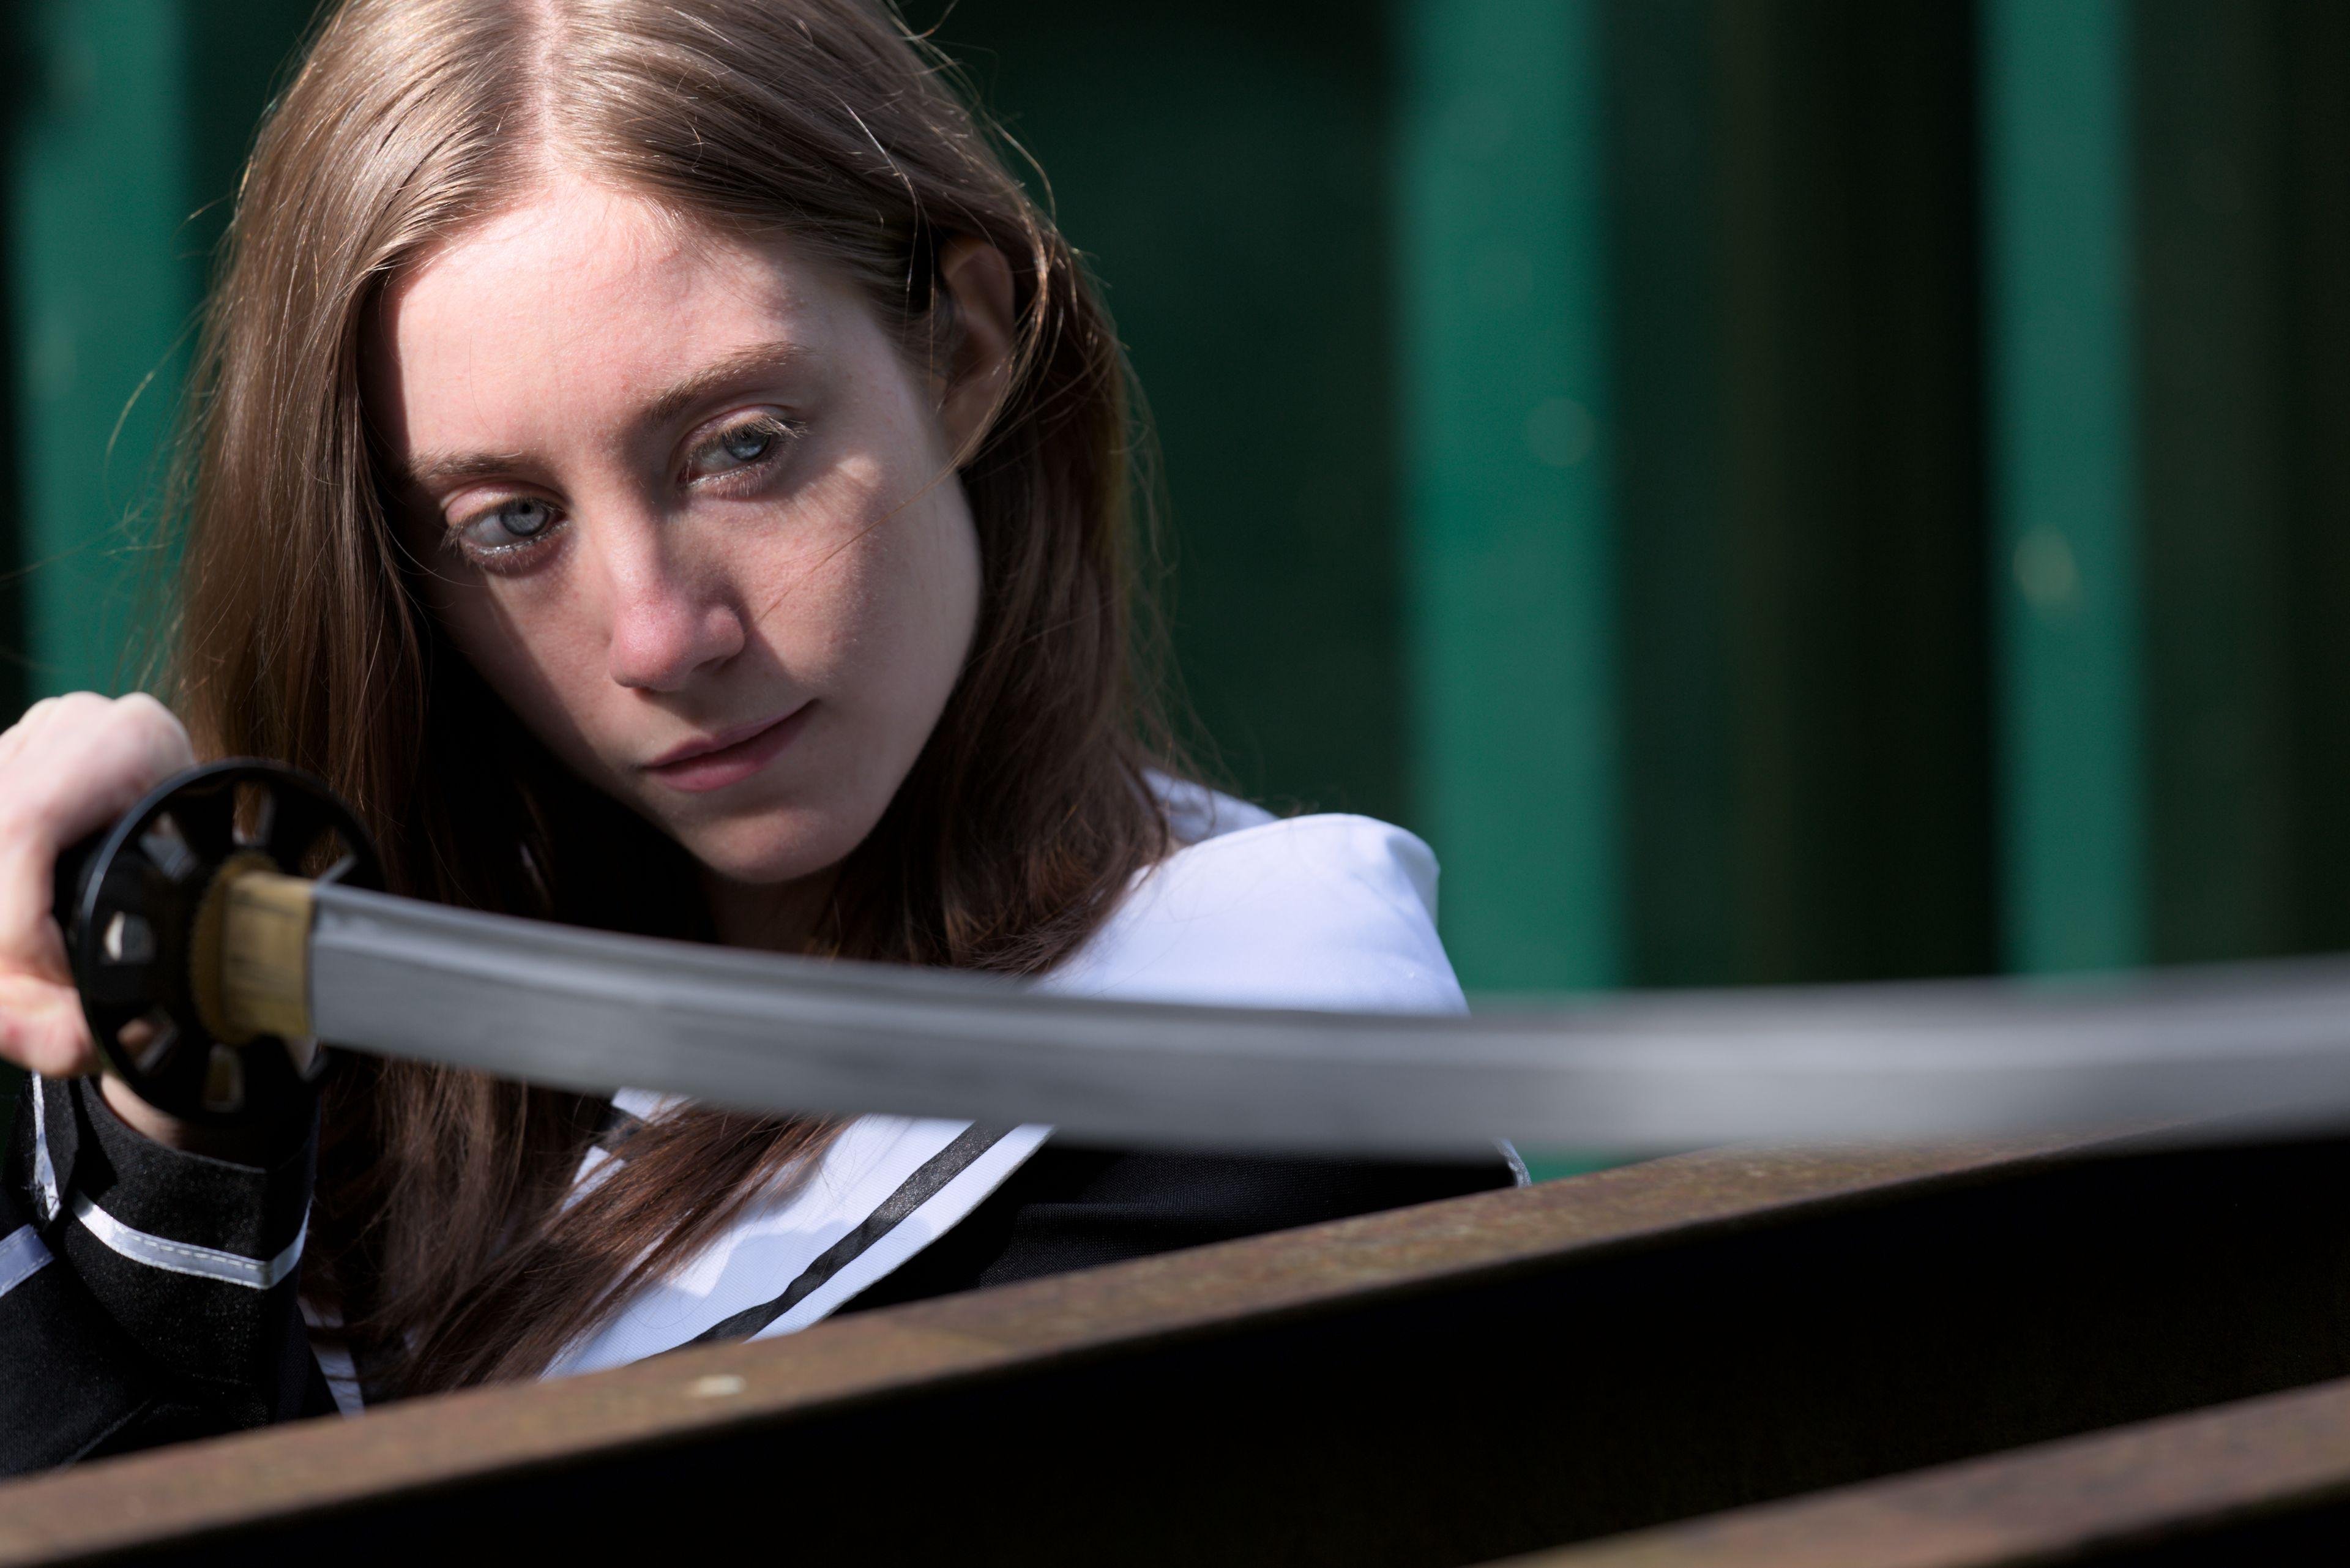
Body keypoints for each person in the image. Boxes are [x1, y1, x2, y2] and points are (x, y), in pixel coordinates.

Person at [0, 0, 1516, 1470]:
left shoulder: (1254, 1047)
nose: (662, 634)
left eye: (742, 448)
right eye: (510, 523)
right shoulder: (314, 1084)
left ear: (965, 353)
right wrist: (139, 1111)